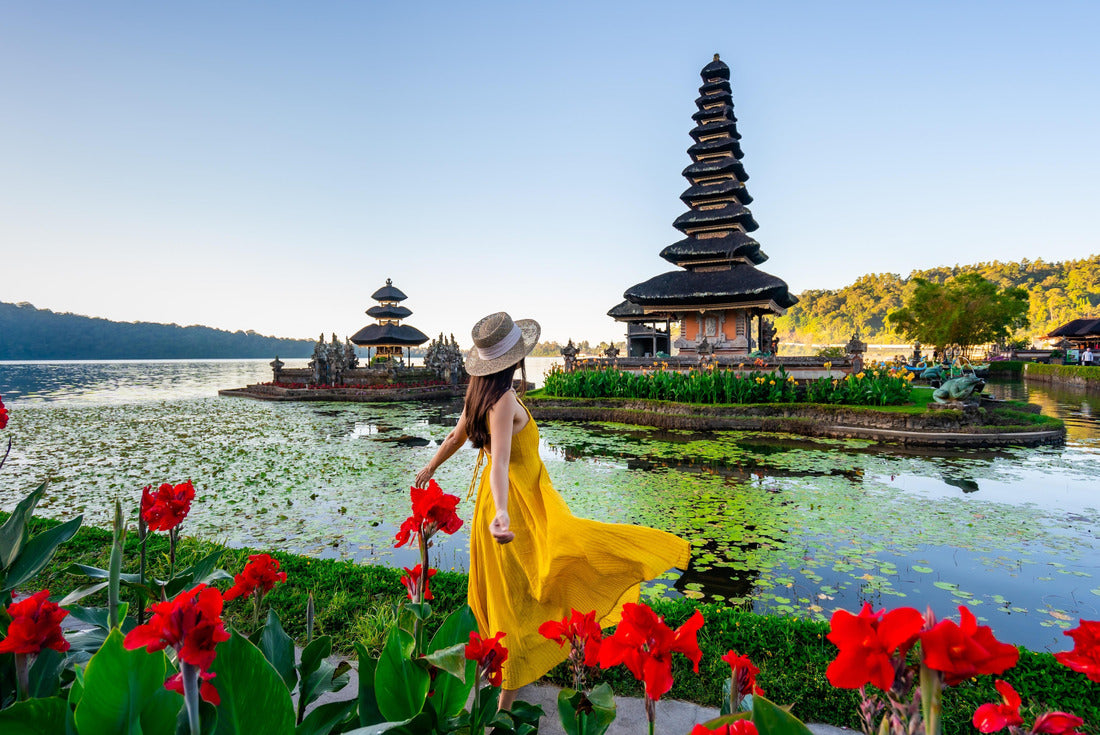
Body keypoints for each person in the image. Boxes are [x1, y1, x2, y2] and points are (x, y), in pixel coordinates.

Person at [414, 312, 690, 709]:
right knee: (538, 583)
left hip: (497, 509)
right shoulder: (504, 400)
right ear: (512, 360)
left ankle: (506, 673)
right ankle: (505, 704)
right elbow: (500, 463)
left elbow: (457, 436)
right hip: (517, 510)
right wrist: (504, 515)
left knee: (518, 591)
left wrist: (432, 465)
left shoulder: (478, 394)